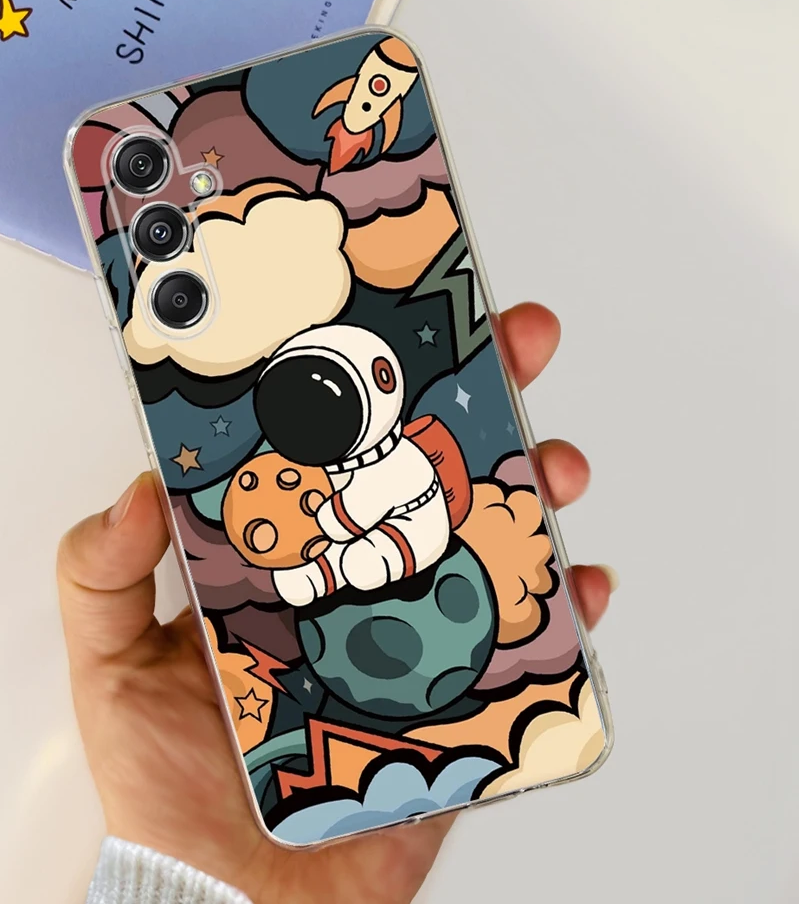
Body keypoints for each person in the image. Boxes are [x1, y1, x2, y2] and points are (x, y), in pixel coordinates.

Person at [57, 303, 619, 904]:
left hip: (409, 549)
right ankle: (328, 577)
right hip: (386, 585)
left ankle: (327, 576)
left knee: (360, 563)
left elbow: (354, 510)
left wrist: (330, 532)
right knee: (351, 565)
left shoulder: (393, 463)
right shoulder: (358, 462)